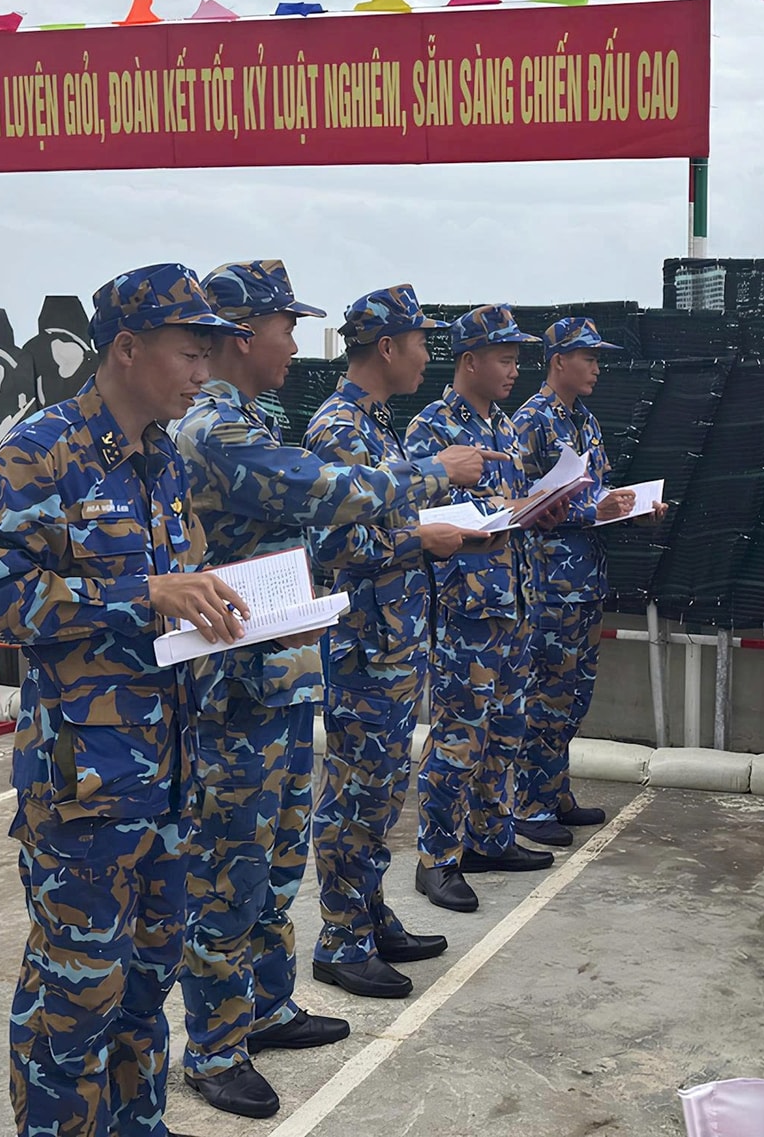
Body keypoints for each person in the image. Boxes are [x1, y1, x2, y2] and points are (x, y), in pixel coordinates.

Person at [171, 261, 493, 1118]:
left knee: (276, 862)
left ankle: (266, 1006)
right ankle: (213, 1047)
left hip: (278, 671)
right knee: (230, 872)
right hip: (233, 688)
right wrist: (435, 475)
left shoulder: (252, 418)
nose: (294, 343)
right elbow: (327, 494)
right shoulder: (217, 429)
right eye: (286, 326)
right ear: (244, 333)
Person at [0, 262, 255, 1137]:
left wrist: (229, 608)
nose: (203, 372)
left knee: (146, 984)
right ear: (128, 348)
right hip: (83, 785)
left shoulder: (164, 461)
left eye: (208, 354)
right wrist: (143, 595)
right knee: (75, 997)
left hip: (170, 777)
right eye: (189, 352)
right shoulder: (42, 450)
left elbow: (178, 593)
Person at [304, 284, 493, 1000]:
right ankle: (341, 939)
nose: (426, 356)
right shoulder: (338, 428)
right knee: (356, 791)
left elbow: (382, 517)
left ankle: (368, 913)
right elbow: (329, 543)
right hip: (363, 647)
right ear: (386, 347)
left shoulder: (375, 425)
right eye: (420, 342)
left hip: (393, 641)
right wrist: (422, 539)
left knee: (382, 790)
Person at [407, 305, 555, 913]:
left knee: (507, 727)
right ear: (469, 361)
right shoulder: (431, 430)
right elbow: (419, 516)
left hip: (513, 601)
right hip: (465, 608)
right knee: (458, 737)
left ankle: (490, 837)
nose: (515, 370)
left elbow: (509, 505)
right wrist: (499, 511)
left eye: (518, 359)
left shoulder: (506, 428)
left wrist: (536, 506)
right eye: (505, 359)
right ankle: (437, 859)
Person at [510, 317, 662, 846]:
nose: (597, 368)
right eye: (589, 358)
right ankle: (529, 807)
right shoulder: (530, 421)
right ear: (559, 362)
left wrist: (629, 508)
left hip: (587, 579)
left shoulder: (585, 421)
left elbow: (595, 492)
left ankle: (555, 792)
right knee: (547, 695)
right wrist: (591, 510)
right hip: (549, 584)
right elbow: (517, 502)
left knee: (574, 695)